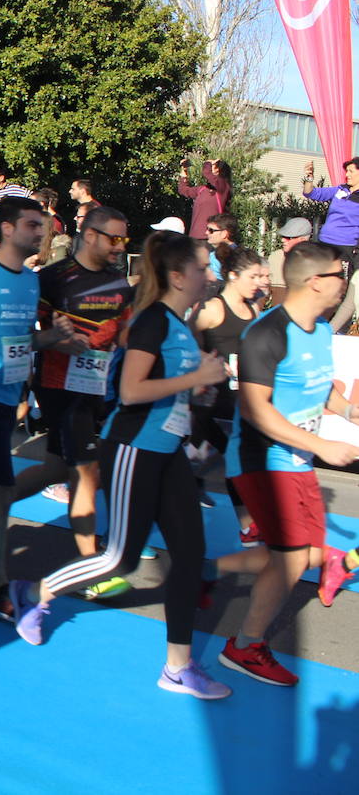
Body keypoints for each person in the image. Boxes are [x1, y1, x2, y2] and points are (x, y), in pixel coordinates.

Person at [12, 232, 235, 701]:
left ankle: (178, 668)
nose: (211, 275)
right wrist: (196, 377)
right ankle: (32, 594)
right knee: (121, 557)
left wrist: (197, 390)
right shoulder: (154, 320)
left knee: (190, 555)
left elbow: (165, 384)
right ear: (178, 276)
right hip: (133, 446)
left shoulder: (177, 322)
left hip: (166, 448)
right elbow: (132, 391)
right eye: (203, 267)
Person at [203, 242, 359, 687]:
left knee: (303, 555)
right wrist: (322, 445)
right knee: (292, 557)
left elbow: (319, 383)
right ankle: (245, 645)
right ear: (315, 282)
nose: (344, 279)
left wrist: (348, 412)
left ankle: (211, 573)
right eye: (338, 273)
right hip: (260, 462)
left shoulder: (323, 330)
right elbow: (255, 410)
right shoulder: (267, 334)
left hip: (297, 459)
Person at [10, 205, 135, 598]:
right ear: (91, 236)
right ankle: (89, 570)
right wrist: (60, 344)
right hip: (59, 386)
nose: (120, 247)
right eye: (114, 239)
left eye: (124, 240)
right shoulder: (52, 278)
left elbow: (127, 338)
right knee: (86, 471)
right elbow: (30, 330)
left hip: (96, 388)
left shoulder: (120, 284)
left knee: (54, 468)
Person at [0, 197, 75, 621]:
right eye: (33, 224)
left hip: (5, 400)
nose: (41, 232)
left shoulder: (31, 282)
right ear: (7, 229)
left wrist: (49, 343)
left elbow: (21, 340)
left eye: (44, 225)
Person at [191, 246, 269, 542]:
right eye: (254, 276)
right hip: (207, 403)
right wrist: (208, 362)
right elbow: (182, 340)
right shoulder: (213, 308)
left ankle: (248, 527)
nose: (260, 282)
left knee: (232, 462)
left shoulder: (255, 309)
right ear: (233, 276)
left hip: (237, 404)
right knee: (214, 462)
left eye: (263, 276)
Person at [302, 157, 359, 273]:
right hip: (324, 244)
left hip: (346, 248)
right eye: (346, 171)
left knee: (340, 285)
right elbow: (310, 193)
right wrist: (309, 177)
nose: (347, 174)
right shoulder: (340, 190)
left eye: (351, 171)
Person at [177, 158, 232, 239]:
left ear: (219, 170)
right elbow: (183, 190)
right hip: (195, 236)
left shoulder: (223, 187)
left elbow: (206, 172)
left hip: (212, 236)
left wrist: (208, 162)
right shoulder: (202, 189)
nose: (211, 166)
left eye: (213, 165)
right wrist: (184, 172)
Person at [267, 218, 312, 306]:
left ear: (302, 240)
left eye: (288, 238)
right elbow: (264, 292)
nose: (283, 240)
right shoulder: (275, 258)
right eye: (283, 237)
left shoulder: (314, 263)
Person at [205, 213, 239, 282]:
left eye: (211, 230)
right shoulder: (242, 254)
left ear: (224, 234)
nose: (206, 232)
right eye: (207, 229)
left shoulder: (216, 258)